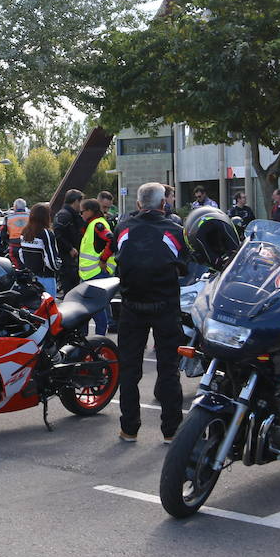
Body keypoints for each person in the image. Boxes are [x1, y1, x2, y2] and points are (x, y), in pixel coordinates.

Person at [114, 183, 189, 444]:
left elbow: (118, 258)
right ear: (163, 205)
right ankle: (171, 431)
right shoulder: (176, 231)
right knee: (168, 369)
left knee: (129, 369)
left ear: (138, 204)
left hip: (131, 305)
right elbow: (185, 265)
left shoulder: (122, 228)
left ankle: (129, 428)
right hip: (165, 305)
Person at [77, 198, 116, 334]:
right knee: (87, 310)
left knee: (96, 311)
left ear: (89, 211)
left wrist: (104, 259)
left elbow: (112, 239)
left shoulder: (97, 224)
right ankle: (87, 341)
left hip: (96, 274)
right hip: (90, 275)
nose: (81, 215)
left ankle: (99, 344)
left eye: (82, 212)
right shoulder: (92, 224)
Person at [18, 202, 60, 297]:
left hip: (30, 278)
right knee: (49, 309)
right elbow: (51, 260)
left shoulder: (25, 231)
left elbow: (21, 254)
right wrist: (58, 266)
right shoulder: (46, 233)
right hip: (46, 277)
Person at [52, 189, 84, 295]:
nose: (81, 205)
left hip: (71, 259)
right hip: (67, 259)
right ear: (75, 201)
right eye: (80, 202)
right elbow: (58, 235)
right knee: (70, 291)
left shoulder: (72, 215)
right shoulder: (64, 215)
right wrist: (69, 248)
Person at [0, 198, 30, 266]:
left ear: (15, 207)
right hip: (29, 244)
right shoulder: (30, 217)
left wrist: (6, 241)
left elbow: (2, 233)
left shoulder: (8, 218)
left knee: (16, 263)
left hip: (14, 244)